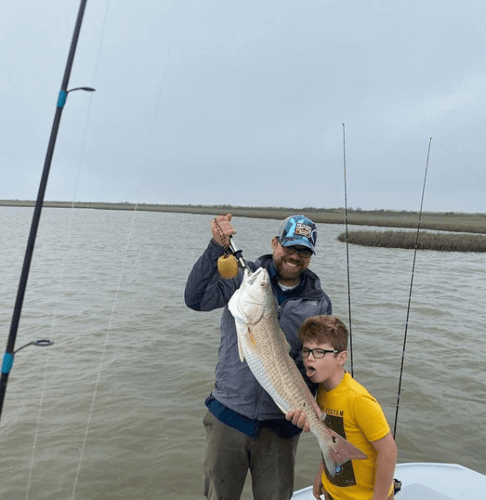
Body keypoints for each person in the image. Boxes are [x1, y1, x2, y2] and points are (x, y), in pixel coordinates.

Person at [184, 213, 332, 500]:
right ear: (275, 243)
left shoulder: (318, 301)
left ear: (311, 257)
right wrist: (216, 247)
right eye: (289, 247)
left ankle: (330, 446)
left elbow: (313, 365)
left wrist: (309, 411)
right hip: (228, 417)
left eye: (304, 251)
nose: (295, 256)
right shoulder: (244, 277)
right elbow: (196, 299)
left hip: (280, 429)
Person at [285, 315, 397, 500]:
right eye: (306, 351)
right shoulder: (321, 391)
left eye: (320, 352)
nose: (310, 358)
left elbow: (389, 451)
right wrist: (322, 472)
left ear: (341, 357)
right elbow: (329, 438)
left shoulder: (358, 399)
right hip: (332, 492)